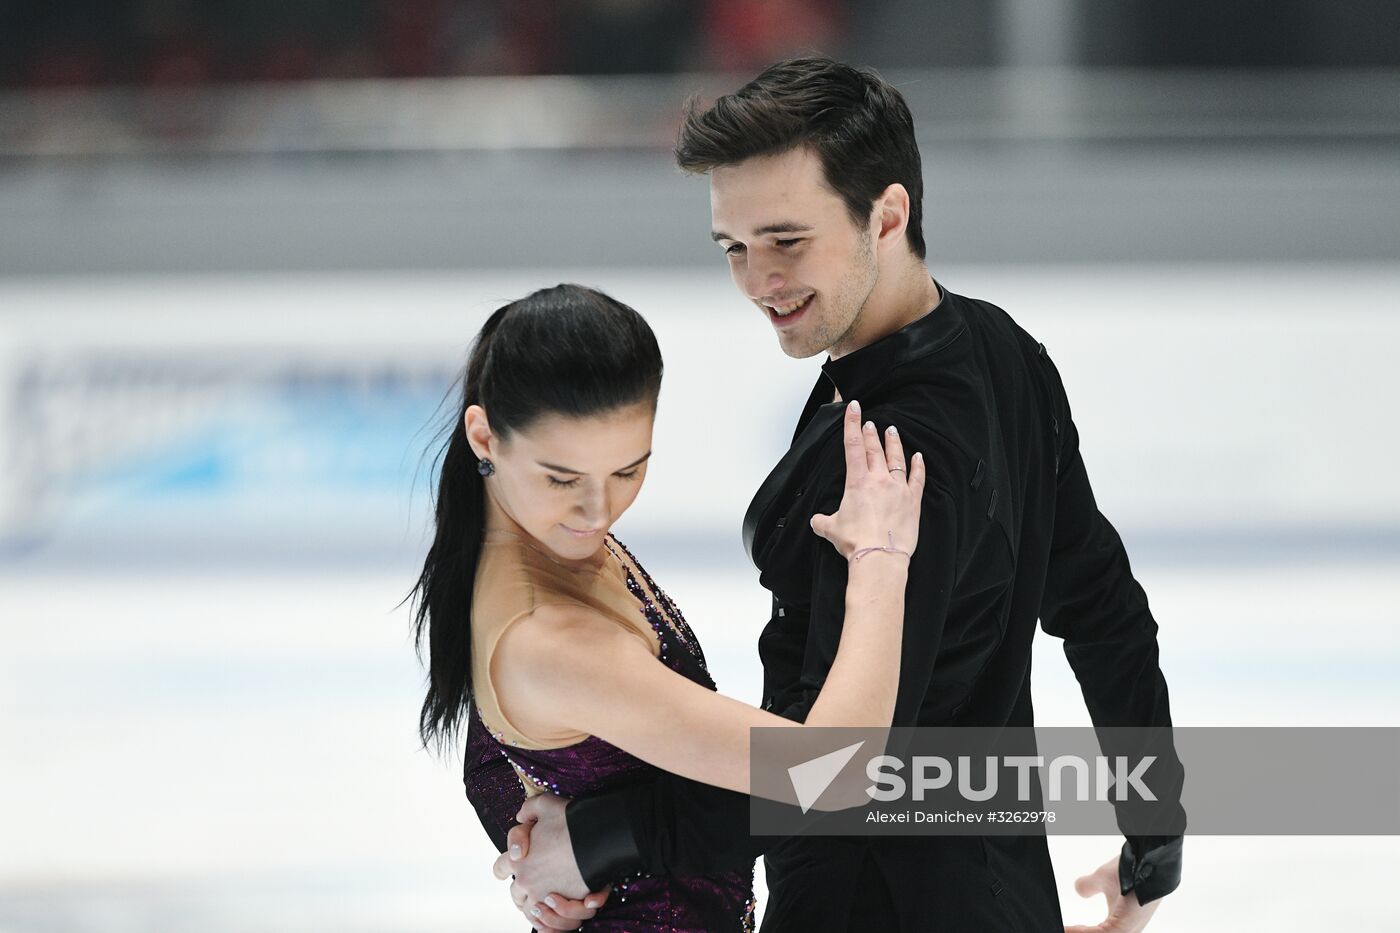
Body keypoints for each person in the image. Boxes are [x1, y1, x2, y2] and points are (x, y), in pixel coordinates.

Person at [488, 58, 1187, 932]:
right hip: (991, 885)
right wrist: (1155, 831)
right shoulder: (1005, 353)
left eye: (786, 241)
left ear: (886, 215)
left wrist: (604, 837)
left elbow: (833, 765)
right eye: (734, 248)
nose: (757, 281)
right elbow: (1105, 608)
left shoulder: (894, 451)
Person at [408, 282, 929, 931]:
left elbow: (490, 762)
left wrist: (548, 850)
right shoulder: (551, 637)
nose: (598, 510)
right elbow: (833, 775)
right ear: (484, 435)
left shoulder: (518, 533)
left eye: (628, 470)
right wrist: (882, 560)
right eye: (563, 478)